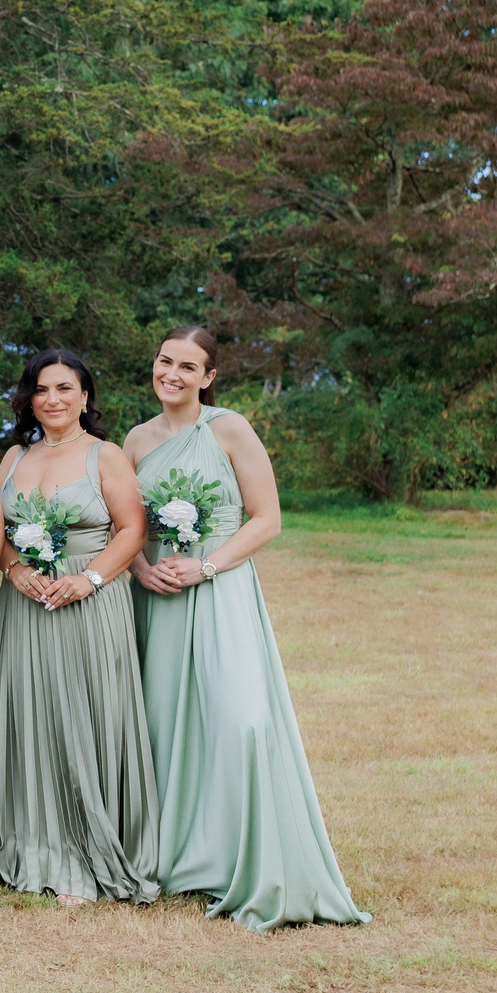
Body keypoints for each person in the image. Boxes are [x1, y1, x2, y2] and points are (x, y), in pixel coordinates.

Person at [127, 327, 364, 929]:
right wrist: (140, 567)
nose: (172, 374)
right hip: (159, 595)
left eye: (188, 366)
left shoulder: (229, 429)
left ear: (208, 377)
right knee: (164, 725)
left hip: (221, 588)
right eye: (164, 361)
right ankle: (179, 861)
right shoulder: (135, 440)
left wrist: (207, 565)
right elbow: (121, 522)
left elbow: (268, 519)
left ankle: (252, 860)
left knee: (241, 719)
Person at [0, 349, 160, 906]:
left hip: (89, 602)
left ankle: (89, 846)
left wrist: (88, 579)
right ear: (28, 399)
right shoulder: (13, 456)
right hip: (27, 605)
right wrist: (13, 569)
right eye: (41, 390)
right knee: (30, 712)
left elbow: (133, 529)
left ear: (86, 396)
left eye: (65, 388)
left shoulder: (105, 455)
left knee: (89, 714)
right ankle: (33, 842)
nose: (52, 399)